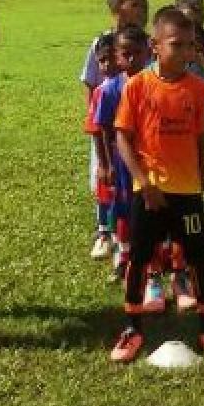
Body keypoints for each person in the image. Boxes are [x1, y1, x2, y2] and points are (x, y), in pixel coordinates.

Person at [110, 7, 204, 363]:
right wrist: (143, 181)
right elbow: (123, 138)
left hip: (187, 191)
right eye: (176, 45)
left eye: (191, 46)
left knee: (197, 257)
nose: (185, 54)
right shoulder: (137, 86)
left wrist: (201, 173)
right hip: (148, 191)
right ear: (155, 45)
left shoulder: (197, 87)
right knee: (140, 256)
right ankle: (132, 328)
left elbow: (198, 137)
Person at [81, 0, 146, 258]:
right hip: (107, 127)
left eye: (143, 4)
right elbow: (90, 82)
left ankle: (134, 232)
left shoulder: (143, 42)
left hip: (137, 132)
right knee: (105, 178)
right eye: (135, 4)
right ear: (118, 9)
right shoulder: (102, 43)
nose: (141, 9)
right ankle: (104, 232)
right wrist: (96, 118)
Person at [88, 26, 150, 280]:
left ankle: (152, 256)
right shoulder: (110, 89)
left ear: (148, 53)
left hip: (149, 158)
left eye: (138, 53)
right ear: (117, 55)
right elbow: (101, 127)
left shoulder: (153, 84)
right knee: (122, 208)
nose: (132, 59)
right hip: (121, 159)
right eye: (126, 54)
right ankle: (123, 255)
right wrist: (106, 164)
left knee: (147, 206)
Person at [85, 33, 120, 260]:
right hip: (110, 156)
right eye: (101, 61)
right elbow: (96, 131)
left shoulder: (134, 86)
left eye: (111, 59)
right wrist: (104, 163)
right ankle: (105, 233)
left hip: (131, 157)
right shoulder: (100, 92)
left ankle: (122, 242)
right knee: (105, 195)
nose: (106, 65)